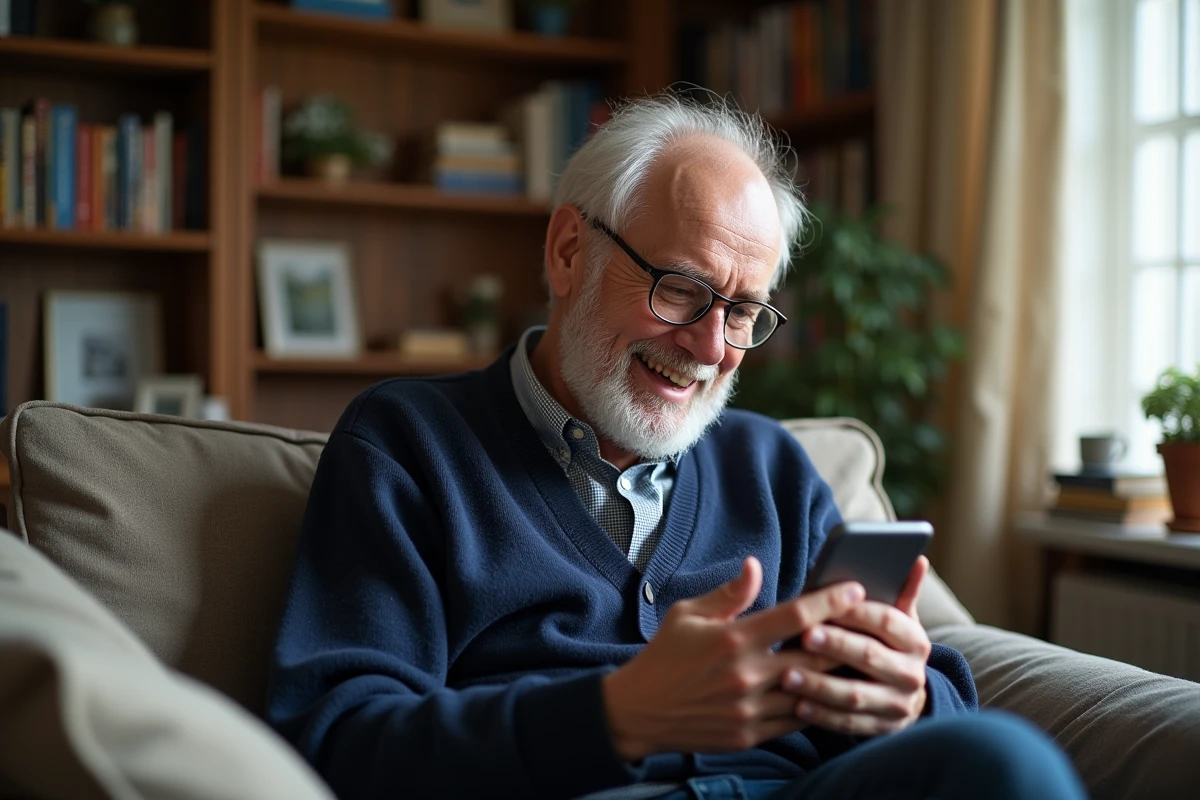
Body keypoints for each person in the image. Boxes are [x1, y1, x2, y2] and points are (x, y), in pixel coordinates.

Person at [265, 94, 1086, 800]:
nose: (710, 346)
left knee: (1004, 760)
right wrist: (613, 716)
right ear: (568, 252)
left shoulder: (772, 470)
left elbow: (906, 698)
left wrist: (908, 699)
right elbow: (338, 736)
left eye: (742, 311)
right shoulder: (409, 443)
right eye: (682, 290)